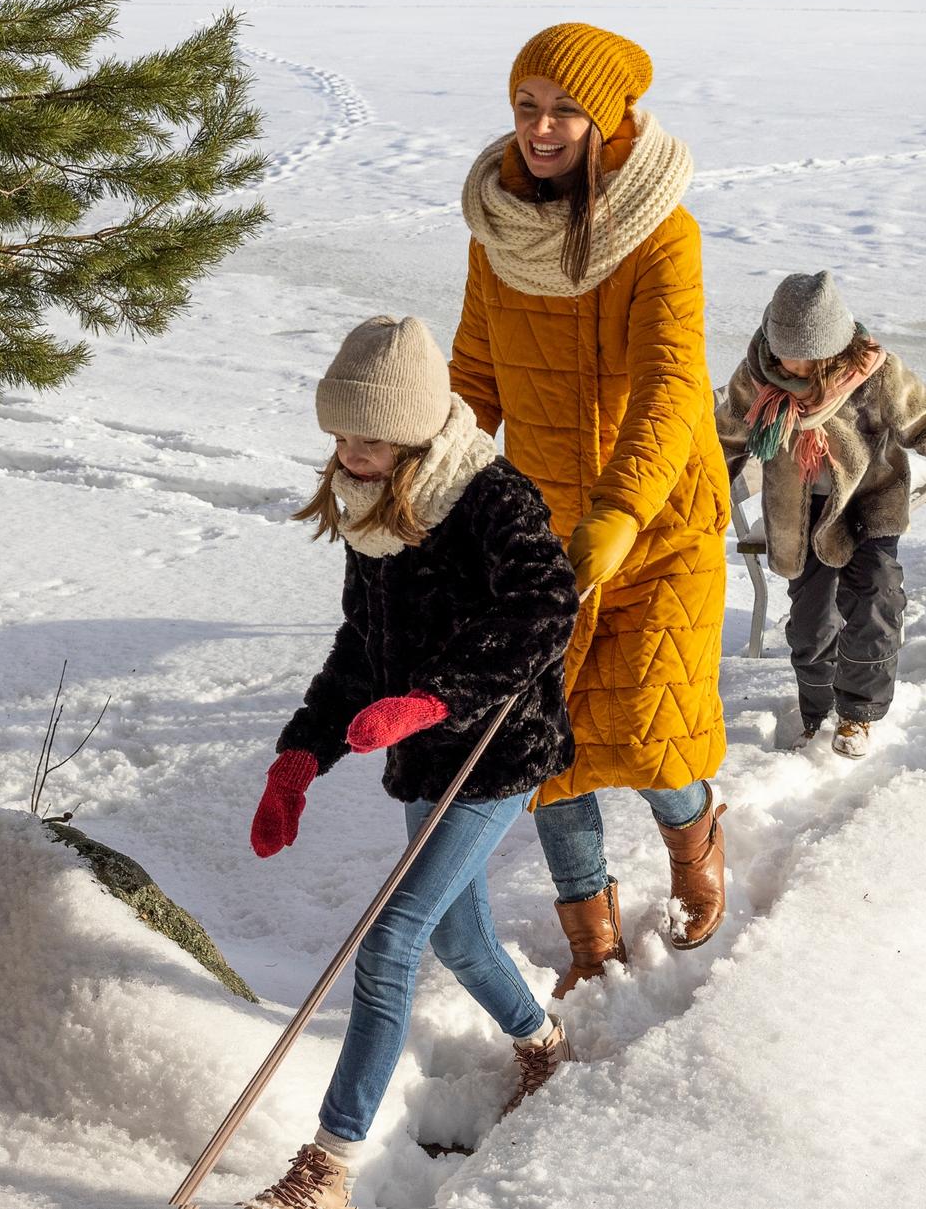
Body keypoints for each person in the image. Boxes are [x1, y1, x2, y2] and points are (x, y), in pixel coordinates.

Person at [246, 315, 580, 1209]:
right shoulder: (371, 513)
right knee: (456, 933)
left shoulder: (487, 495)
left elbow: (548, 608)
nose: (351, 454)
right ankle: (543, 1042)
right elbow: (362, 646)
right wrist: (299, 757)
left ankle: (326, 1168)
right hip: (426, 756)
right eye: (341, 436)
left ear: (418, 430)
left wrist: (437, 695)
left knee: (388, 940)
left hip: (495, 747)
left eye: (370, 437)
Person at [450, 21, 731, 998]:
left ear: (609, 118)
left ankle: (696, 842)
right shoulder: (497, 232)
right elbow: (475, 379)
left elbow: (669, 388)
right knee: (550, 750)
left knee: (652, 728)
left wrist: (617, 512)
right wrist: (421, 476)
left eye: (565, 106)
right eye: (526, 104)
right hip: (545, 528)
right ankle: (590, 934)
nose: (541, 126)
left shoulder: (662, 232)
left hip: (655, 516)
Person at [718, 271, 926, 758]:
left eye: (806, 355)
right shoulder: (757, 376)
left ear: (830, 348)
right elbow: (724, 443)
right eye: (785, 351)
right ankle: (815, 711)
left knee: (876, 600)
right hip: (797, 513)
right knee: (809, 624)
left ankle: (857, 715)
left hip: (866, 505)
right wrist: (693, 503)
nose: (793, 364)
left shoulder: (875, 373)